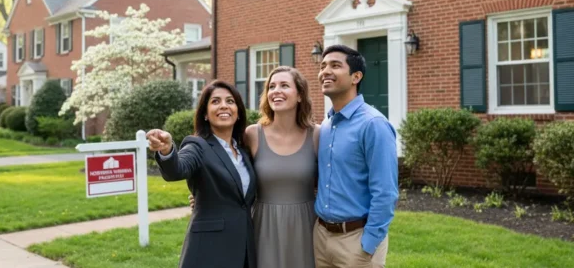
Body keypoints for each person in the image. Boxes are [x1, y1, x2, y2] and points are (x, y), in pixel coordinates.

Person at [146, 80, 257, 268]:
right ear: (205, 114)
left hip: (244, 249)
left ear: (238, 112)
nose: (224, 105)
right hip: (208, 249)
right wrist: (167, 151)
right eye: (215, 101)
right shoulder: (198, 146)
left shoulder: (245, 151)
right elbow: (178, 168)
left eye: (230, 101)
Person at [314, 45, 399, 268]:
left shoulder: (374, 124)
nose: (325, 71)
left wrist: (369, 243)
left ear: (356, 76)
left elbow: (386, 192)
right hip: (321, 238)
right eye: (322, 66)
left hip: (357, 242)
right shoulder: (325, 125)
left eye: (335, 65)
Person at [245, 66, 319, 268]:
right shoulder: (252, 134)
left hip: (306, 226)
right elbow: (230, 170)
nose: (276, 91)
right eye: (271, 86)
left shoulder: (317, 135)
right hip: (263, 224)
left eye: (284, 85)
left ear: (300, 95)